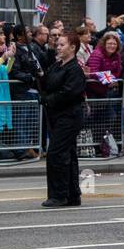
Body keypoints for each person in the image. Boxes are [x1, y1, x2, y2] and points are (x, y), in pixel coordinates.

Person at [39, 32, 86, 208]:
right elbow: (47, 83)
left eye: (62, 45)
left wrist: (49, 99)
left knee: (56, 154)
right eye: (57, 45)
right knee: (68, 154)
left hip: (69, 116)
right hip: (57, 116)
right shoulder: (57, 66)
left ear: (72, 47)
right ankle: (72, 194)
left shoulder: (75, 69)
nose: (58, 47)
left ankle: (59, 195)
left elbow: (69, 92)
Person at [86, 31, 124, 157]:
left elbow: (118, 72)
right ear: (104, 43)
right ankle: (94, 147)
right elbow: (94, 72)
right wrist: (109, 80)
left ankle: (103, 145)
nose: (112, 46)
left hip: (104, 92)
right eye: (109, 43)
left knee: (109, 117)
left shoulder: (117, 56)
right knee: (92, 119)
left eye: (114, 43)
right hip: (92, 92)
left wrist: (110, 79)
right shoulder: (97, 54)